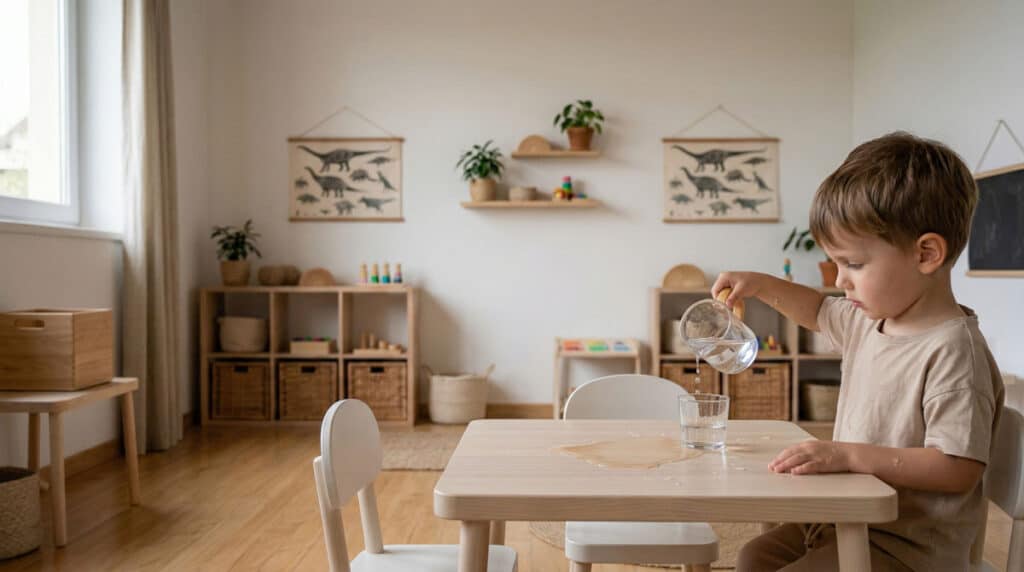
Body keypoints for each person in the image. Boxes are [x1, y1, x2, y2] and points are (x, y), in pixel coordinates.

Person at [717, 132, 1005, 571]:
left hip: (909, 547)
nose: (840, 281)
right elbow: (816, 309)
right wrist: (760, 285)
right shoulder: (871, 321)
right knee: (754, 555)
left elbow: (956, 468)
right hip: (849, 519)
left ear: (926, 253)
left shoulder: (953, 351)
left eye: (853, 264)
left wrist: (848, 454)